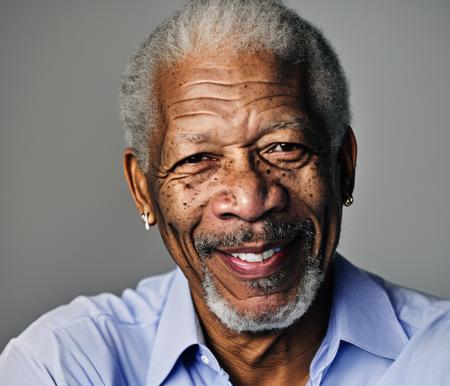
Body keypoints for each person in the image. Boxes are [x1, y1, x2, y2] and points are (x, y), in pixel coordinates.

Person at [1, 0, 449, 385]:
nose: (251, 200)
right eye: (197, 160)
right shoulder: (64, 366)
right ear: (143, 191)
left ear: (343, 166)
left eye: (284, 148)